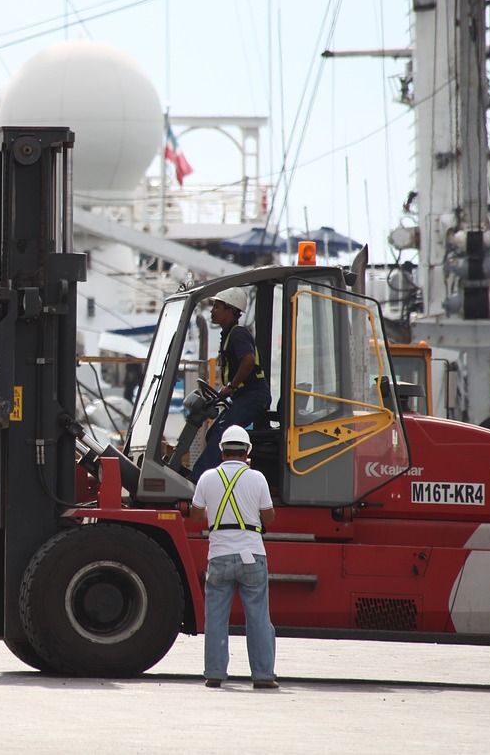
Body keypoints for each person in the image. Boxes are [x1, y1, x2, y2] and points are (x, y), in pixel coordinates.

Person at [191, 425, 277, 689]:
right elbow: (269, 518)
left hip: (219, 556)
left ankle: (215, 673)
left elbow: (195, 516)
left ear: (221, 450)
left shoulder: (207, 478)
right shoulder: (258, 478)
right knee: (259, 618)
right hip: (252, 554)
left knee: (216, 617)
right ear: (247, 450)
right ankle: (263, 676)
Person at [191, 287, 271, 477]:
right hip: (244, 396)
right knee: (213, 434)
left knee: (221, 433)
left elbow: (249, 360)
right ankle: (218, 475)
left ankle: (198, 479)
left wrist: (232, 386)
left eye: (217, 307)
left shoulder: (237, 334)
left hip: (253, 396)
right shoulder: (229, 335)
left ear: (230, 310)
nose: (212, 311)